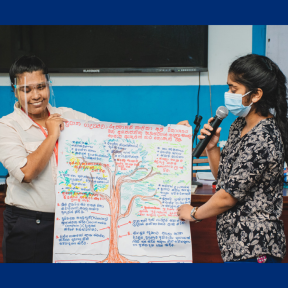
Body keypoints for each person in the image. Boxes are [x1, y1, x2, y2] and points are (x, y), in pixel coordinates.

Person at [1, 55, 190, 263]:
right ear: (15, 91)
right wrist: (52, 134)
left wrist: (170, 134)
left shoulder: (69, 116)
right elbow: (26, 173)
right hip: (28, 226)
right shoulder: (7, 126)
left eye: (41, 87)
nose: (36, 95)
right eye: (26, 90)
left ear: (49, 85)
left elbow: (112, 135)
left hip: (72, 225)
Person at [178, 54, 287, 263]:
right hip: (235, 246)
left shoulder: (264, 137)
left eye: (233, 89)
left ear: (255, 95)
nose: (228, 94)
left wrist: (194, 213)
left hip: (256, 249)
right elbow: (225, 178)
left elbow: (228, 196)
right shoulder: (239, 125)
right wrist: (212, 148)